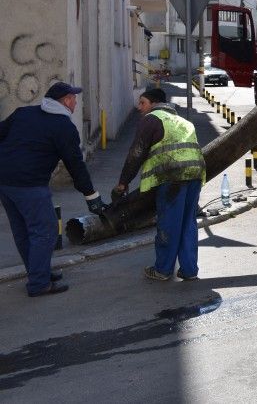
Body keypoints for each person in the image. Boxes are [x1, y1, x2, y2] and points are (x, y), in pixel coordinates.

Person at [0, 82, 107, 297]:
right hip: (30, 185)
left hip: (5, 182)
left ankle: (38, 272)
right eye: (74, 98)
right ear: (66, 101)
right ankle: (39, 284)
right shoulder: (63, 127)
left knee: (22, 230)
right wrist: (91, 196)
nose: (76, 102)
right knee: (46, 231)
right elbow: (75, 165)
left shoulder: (24, 113)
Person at [112, 88, 206, 282]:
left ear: (154, 103)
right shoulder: (183, 121)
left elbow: (136, 154)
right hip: (195, 175)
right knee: (188, 223)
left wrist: (122, 184)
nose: (139, 108)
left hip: (172, 178)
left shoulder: (151, 119)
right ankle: (189, 270)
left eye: (142, 103)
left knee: (169, 223)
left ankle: (162, 270)